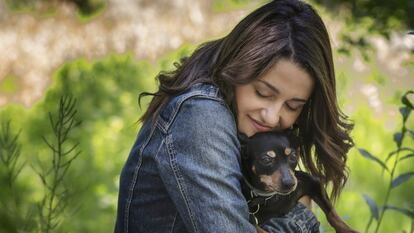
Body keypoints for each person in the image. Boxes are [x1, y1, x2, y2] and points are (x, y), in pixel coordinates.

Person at [114, 0, 354, 232]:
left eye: (292, 106)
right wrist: (301, 217)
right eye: (262, 93)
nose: (272, 117)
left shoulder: (244, 127)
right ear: (238, 67)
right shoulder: (201, 118)